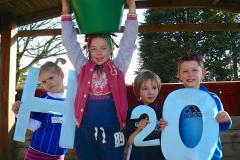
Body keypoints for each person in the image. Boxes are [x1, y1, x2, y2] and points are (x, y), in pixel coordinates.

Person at [61, 0, 138, 160]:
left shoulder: (119, 66)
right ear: (88, 50)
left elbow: (128, 43)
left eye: (103, 48)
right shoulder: (82, 66)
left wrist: (131, 8)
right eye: (94, 49)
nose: (99, 52)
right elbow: (70, 44)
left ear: (111, 49)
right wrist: (66, 12)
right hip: (85, 130)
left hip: (113, 129)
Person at [161, 53, 232, 160]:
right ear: (179, 75)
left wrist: (225, 119)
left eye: (194, 70)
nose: (190, 74)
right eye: (185, 71)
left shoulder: (212, 99)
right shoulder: (174, 101)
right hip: (183, 155)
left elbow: (221, 126)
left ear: (203, 73)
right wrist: (162, 125)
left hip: (210, 155)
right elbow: (169, 126)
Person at [12, 61, 68, 160]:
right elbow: (35, 125)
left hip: (58, 153)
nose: (48, 82)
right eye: (44, 81)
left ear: (62, 75)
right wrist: (19, 114)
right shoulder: (43, 100)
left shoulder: (73, 100)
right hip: (36, 150)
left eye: (51, 78)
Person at [124, 70, 165, 160]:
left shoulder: (164, 111)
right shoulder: (132, 112)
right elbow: (129, 141)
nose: (150, 92)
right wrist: (138, 130)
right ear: (138, 91)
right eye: (145, 89)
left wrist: (166, 129)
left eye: (154, 88)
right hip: (138, 156)